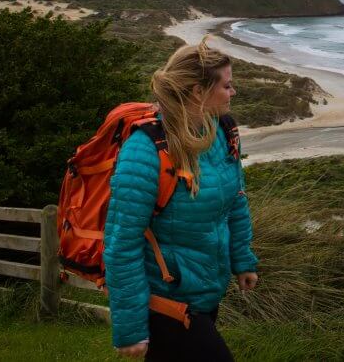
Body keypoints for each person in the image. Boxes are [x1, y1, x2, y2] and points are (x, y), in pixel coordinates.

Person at [103, 39, 258, 359]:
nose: (234, 92)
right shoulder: (145, 149)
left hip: (206, 293)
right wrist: (131, 326)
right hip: (167, 302)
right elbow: (121, 242)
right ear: (198, 92)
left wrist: (242, 258)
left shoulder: (223, 131)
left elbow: (235, 201)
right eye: (227, 85)